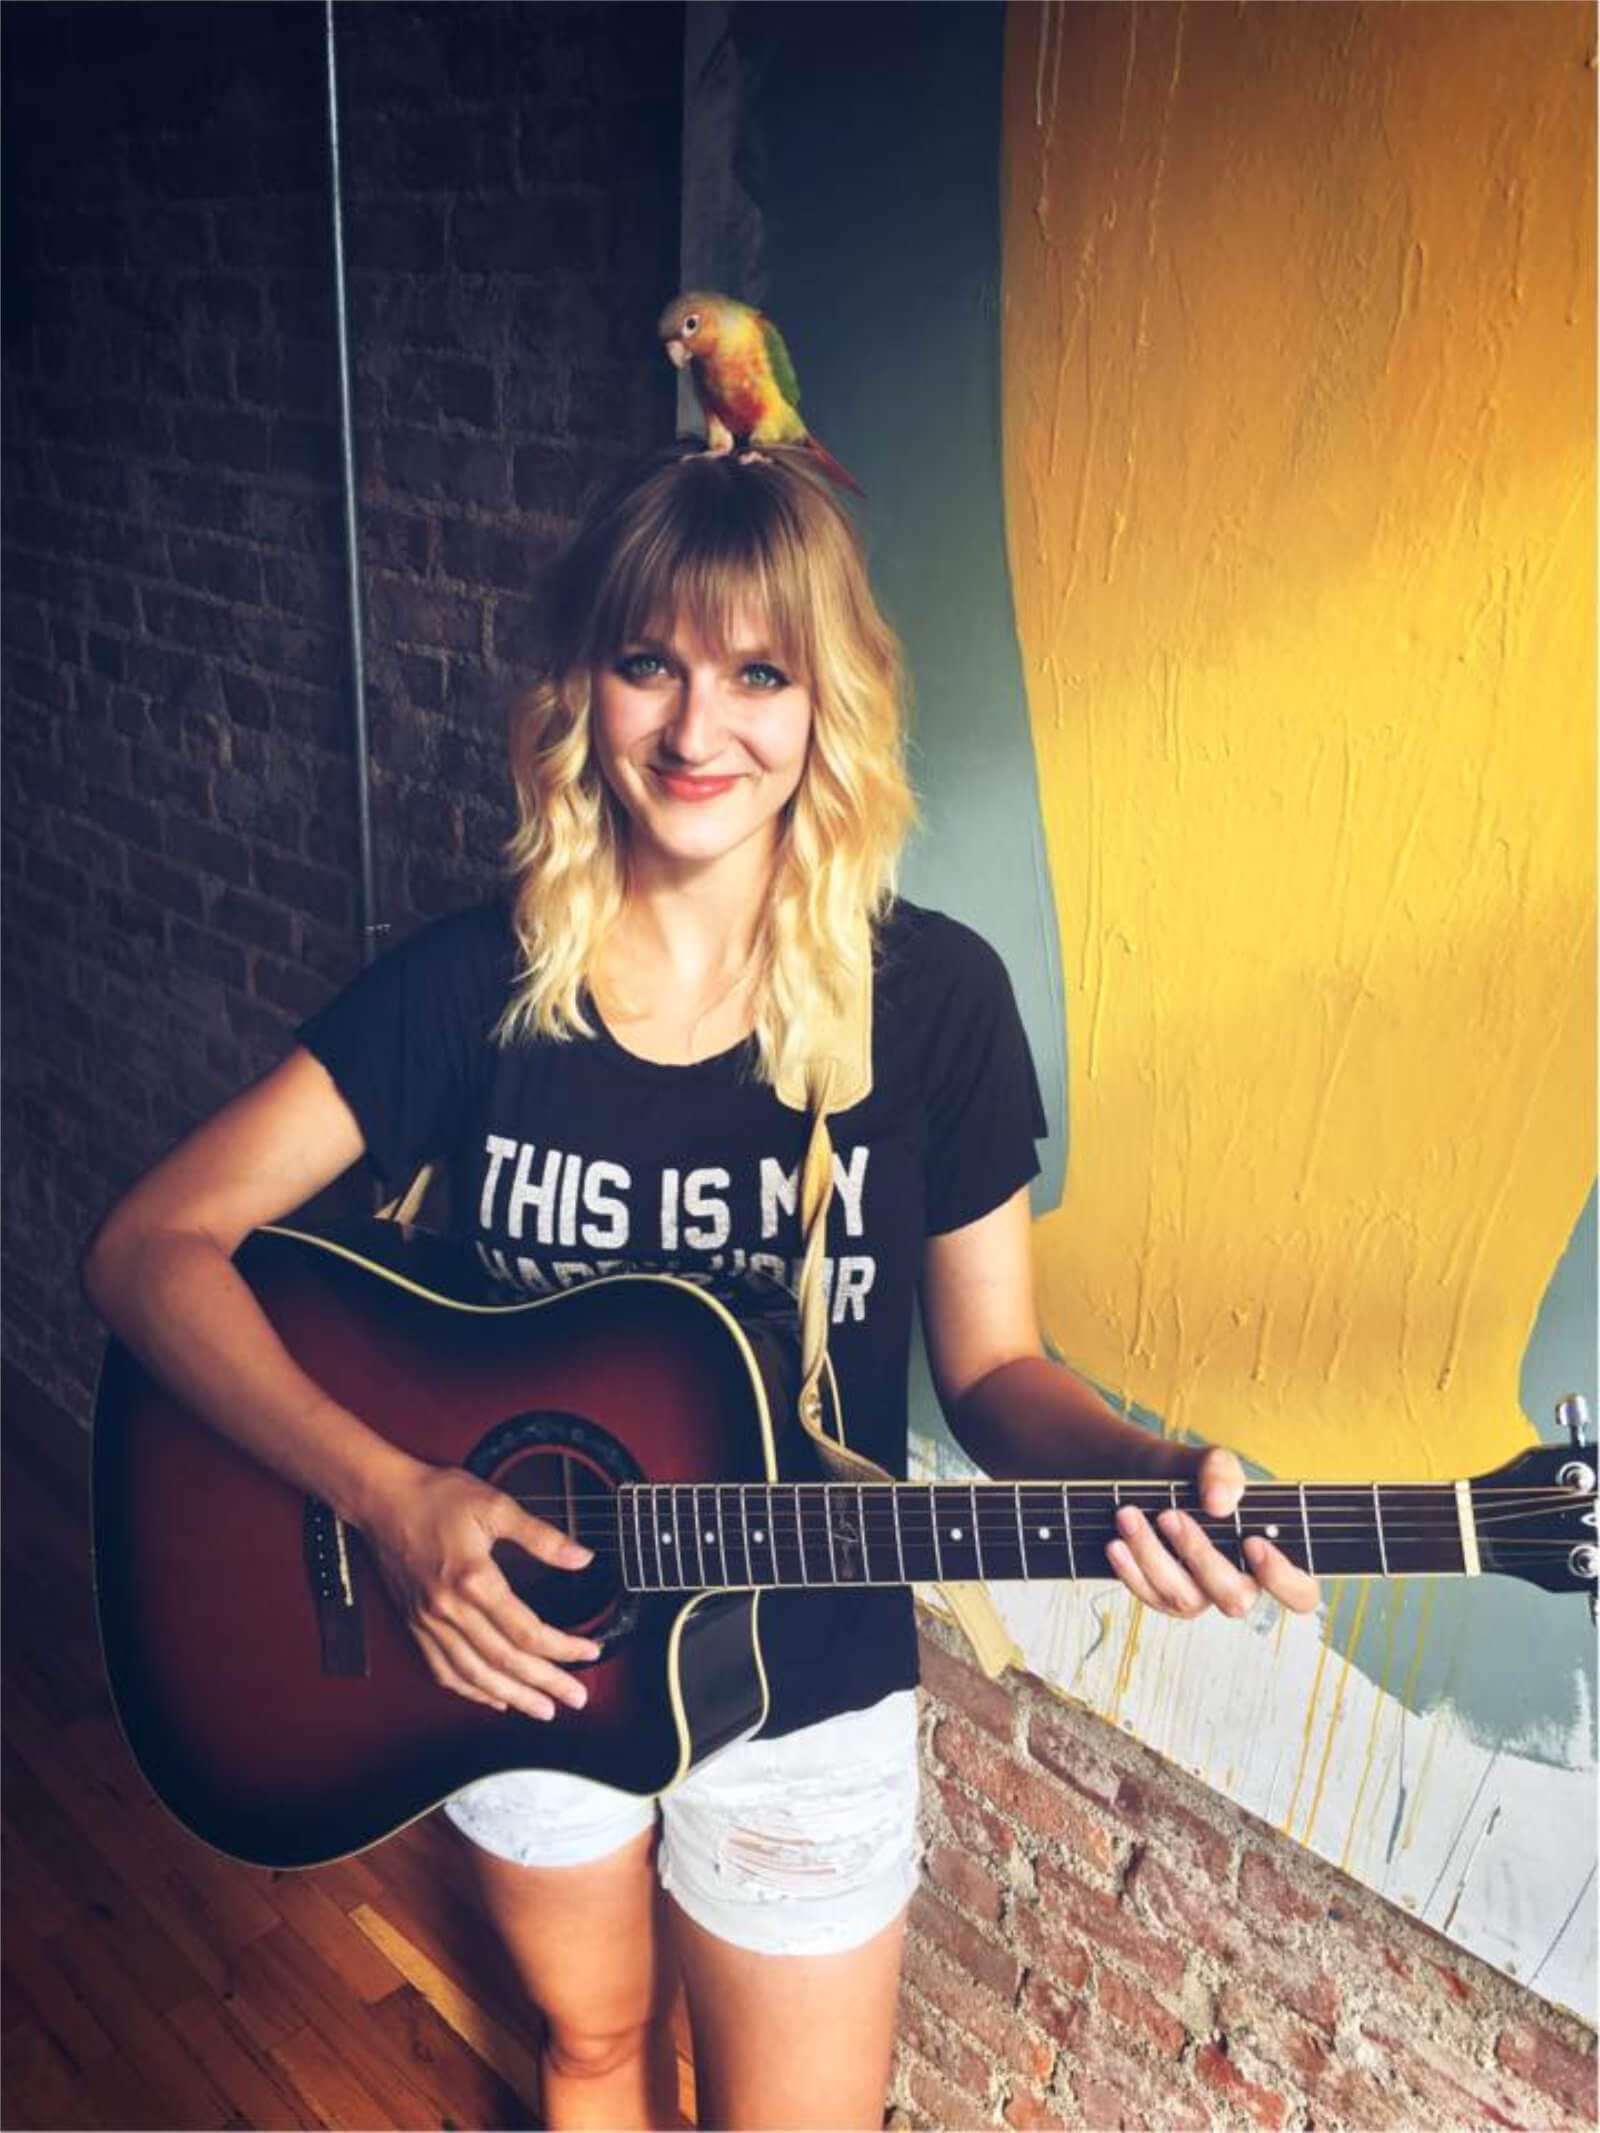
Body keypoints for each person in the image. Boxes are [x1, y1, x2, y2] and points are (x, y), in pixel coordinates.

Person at [84, 445, 1319, 2133]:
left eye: (758, 672)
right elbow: (148, 1248)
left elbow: (995, 1370)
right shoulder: (471, 989)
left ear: (830, 705)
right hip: (510, 1642)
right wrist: (389, 1496)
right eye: (648, 661)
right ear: (582, 684)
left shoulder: (935, 1003)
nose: (694, 727)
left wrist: (1144, 1476)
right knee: (592, 2047)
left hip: (804, 1661)